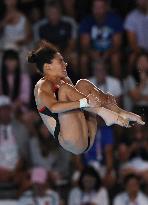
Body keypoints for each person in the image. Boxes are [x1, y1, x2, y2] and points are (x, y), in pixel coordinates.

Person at [27, 40, 144, 155]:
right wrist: (86, 102)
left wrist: (104, 97)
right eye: (61, 61)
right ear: (48, 67)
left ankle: (120, 112)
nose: (65, 64)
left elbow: (82, 104)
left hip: (87, 133)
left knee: (83, 84)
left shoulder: (65, 80)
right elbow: (53, 107)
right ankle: (105, 114)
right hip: (72, 141)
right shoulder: (42, 86)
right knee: (65, 90)